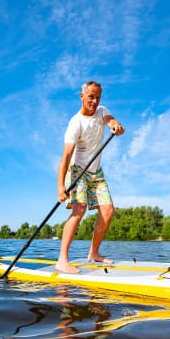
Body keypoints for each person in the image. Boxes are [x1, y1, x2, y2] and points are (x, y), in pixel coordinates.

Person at [56, 81, 125, 274]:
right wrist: (60, 186)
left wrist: (116, 126)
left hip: (96, 172)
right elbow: (66, 157)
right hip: (78, 170)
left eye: (97, 97)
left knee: (108, 211)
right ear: (82, 96)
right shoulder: (75, 123)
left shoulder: (102, 111)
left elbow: (112, 121)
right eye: (91, 97)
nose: (94, 101)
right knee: (79, 209)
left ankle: (93, 253)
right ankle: (62, 260)